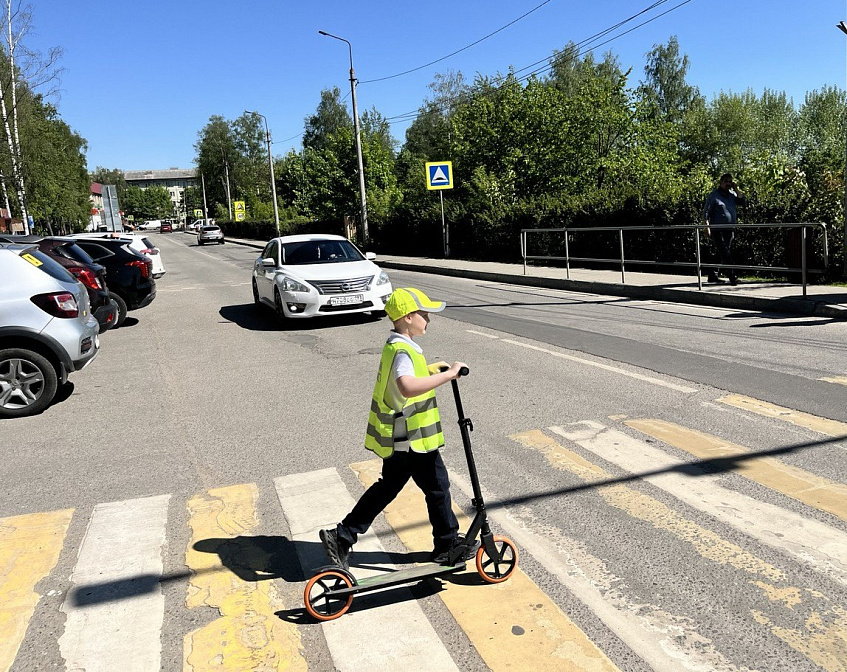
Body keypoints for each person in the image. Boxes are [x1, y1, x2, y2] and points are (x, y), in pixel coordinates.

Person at [319, 287, 478, 570]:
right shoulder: (403, 349)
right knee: (438, 487)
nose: (428, 318)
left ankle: (342, 536)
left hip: (401, 437)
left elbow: (403, 379)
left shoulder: (398, 345)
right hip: (413, 439)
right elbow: (406, 385)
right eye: (424, 314)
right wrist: (451, 375)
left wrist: (429, 371)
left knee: (389, 487)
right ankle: (446, 544)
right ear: (407, 318)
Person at [703, 173, 747, 285]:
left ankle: (713, 275)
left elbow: (743, 202)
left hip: (729, 229)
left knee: (722, 252)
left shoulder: (732, 195)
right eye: (726, 181)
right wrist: (706, 227)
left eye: (730, 181)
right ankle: (733, 276)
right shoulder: (714, 195)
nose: (728, 183)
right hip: (717, 229)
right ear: (720, 182)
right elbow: (706, 212)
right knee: (725, 252)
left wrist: (736, 189)